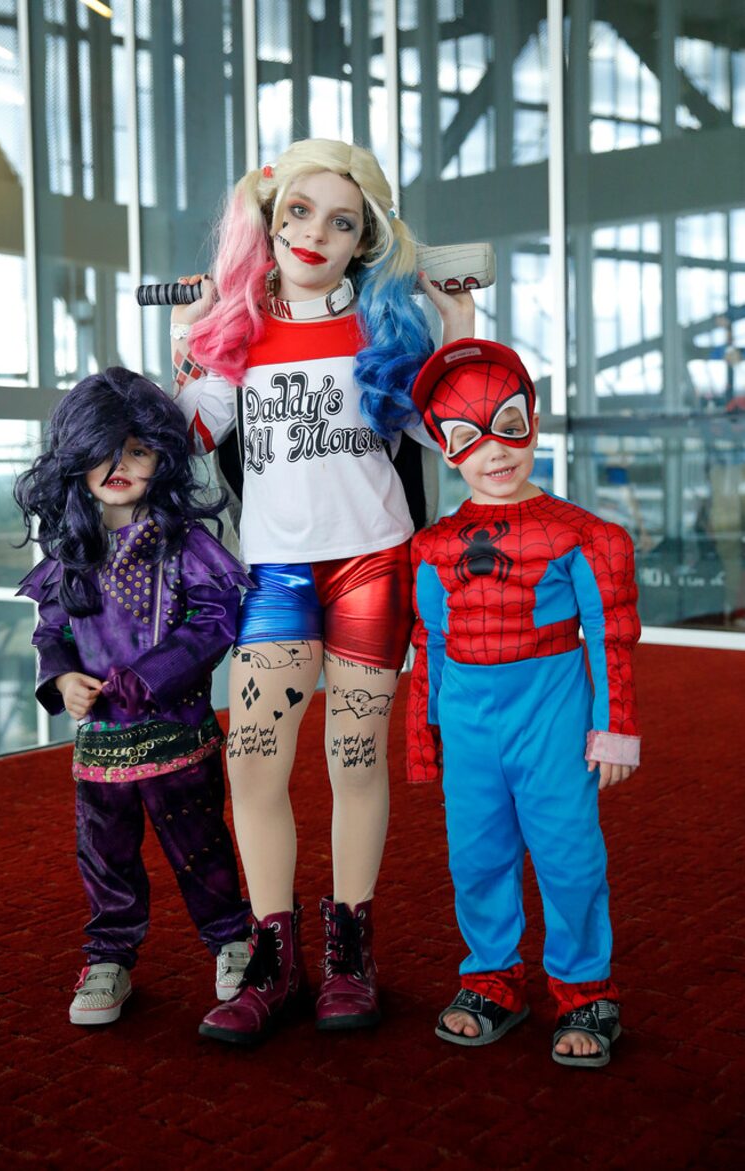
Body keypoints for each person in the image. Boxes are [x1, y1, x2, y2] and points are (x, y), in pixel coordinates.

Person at [166, 138, 475, 1044]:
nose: (315, 234)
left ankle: (350, 951)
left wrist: (454, 329)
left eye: (343, 222)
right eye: (299, 212)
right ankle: (274, 956)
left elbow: (452, 431)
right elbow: (185, 438)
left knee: (354, 760)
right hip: (276, 571)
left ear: (364, 241)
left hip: (374, 563)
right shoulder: (236, 332)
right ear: (267, 218)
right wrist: (181, 350)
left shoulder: (388, 330)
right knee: (253, 761)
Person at [406, 338, 641, 1068]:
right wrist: (424, 733)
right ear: (447, 450)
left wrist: (614, 727)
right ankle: (492, 978)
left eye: (507, 422)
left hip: (552, 704)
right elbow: (430, 644)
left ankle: (584, 989)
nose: (493, 450)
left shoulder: (586, 536)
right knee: (476, 853)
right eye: (466, 435)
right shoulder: (432, 548)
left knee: (568, 853)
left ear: (533, 421)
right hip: (471, 715)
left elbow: (612, 635)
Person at [14, 367, 253, 1026]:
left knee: (201, 845)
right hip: (99, 749)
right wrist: (63, 679)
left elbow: (214, 621)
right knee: (104, 854)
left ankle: (233, 938)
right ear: (75, 458)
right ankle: (109, 954)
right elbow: (51, 629)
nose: (119, 465)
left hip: (178, 734)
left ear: (164, 457)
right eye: (104, 450)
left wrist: (153, 673)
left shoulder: (186, 543)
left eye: (137, 451)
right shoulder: (70, 550)